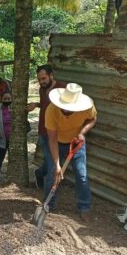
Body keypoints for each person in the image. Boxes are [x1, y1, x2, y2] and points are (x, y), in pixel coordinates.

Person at [45, 83, 97, 220]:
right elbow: (52, 139)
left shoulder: (87, 108)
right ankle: (48, 205)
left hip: (76, 144)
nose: (66, 111)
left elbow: (93, 119)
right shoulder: (51, 110)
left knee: (82, 175)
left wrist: (82, 132)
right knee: (52, 173)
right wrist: (57, 165)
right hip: (56, 143)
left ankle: (84, 207)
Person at [27, 65, 67, 188]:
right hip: (44, 131)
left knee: (54, 162)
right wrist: (36, 104)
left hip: (61, 133)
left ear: (51, 75)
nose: (41, 82)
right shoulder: (42, 89)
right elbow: (46, 104)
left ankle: (39, 173)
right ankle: (49, 199)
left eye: (43, 78)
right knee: (53, 165)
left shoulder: (62, 88)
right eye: (39, 79)